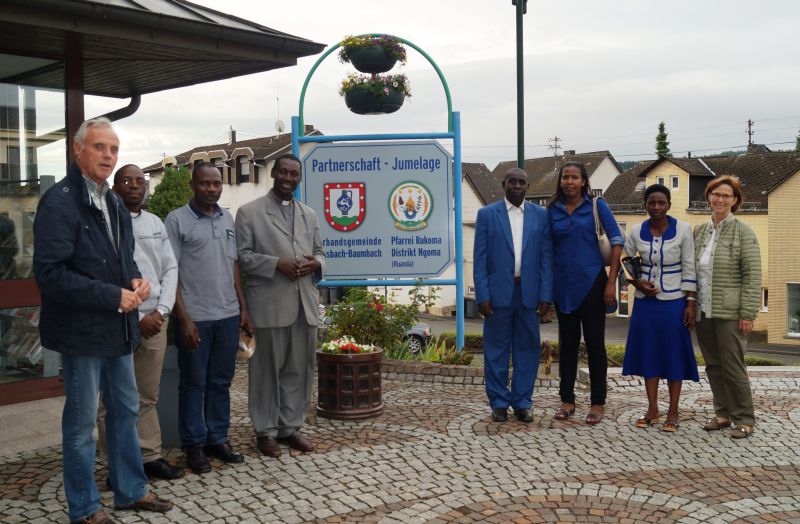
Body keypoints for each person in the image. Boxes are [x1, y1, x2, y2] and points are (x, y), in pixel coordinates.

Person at [33, 118, 172, 524]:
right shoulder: (59, 202)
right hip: (81, 335)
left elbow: (121, 258)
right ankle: (85, 508)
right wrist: (114, 295)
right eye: (99, 147)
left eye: (113, 149)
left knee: (126, 412)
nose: (108, 156)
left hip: (118, 330)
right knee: (81, 428)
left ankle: (130, 490)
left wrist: (134, 279)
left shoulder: (111, 201)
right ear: (78, 151)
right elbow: (51, 273)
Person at [235, 153, 325, 456]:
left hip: (304, 306)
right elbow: (243, 257)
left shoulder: (309, 214)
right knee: (265, 372)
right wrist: (276, 264)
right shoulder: (249, 212)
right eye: (283, 172)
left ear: (299, 178)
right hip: (269, 305)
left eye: (294, 174)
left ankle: (290, 427)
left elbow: (320, 251)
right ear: (273, 173)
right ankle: (266, 431)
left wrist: (317, 264)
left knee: (298, 370)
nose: (288, 178)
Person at [97, 165, 182, 480]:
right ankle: (114, 465)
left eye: (139, 181)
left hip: (156, 322)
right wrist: (135, 316)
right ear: (115, 187)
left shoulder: (155, 223)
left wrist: (161, 311)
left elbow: (170, 269)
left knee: (148, 394)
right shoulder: (105, 223)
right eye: (126, 180)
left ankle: (149, 456)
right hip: (118, 321)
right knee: (111, 398)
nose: (134, 185)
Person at [165, 162, 251, 473]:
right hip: (195, 318)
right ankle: (194, 445)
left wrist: (243, 308)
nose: (211, 189)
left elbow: (234, 265)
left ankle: (218, 438)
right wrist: (183, 318)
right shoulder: (176, 220)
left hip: (227, 315)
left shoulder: (227, 217)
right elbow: (169, 271)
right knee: (193, 384)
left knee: (220, 382)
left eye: (216, 184)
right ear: (193, 185)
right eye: (205, 184)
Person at [473, 168, 553, 423]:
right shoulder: (487, 214)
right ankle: (498, 402)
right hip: (497, 295)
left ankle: (522, 402)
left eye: (521, 182)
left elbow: (546, 259)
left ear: (528, 186)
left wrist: (545, 295)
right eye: (512, 182)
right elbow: (480, 258)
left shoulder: (541, 216)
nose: (517, 186)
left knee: (527, 350)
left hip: (529, 293)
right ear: (503, 184)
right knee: (496, 350)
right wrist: (482, 295)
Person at [547, 161, 624, 425]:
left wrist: (611, 282)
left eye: (574, 178)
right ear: (560, 181)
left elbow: (617, 241)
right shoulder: (552, 210)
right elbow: (547, 251)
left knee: (595, 345)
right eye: (565, 177)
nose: (569, 182)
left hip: (593, 284)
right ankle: (567, 400)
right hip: (562, 287)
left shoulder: (595, 206)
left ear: (583, 182)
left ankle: (597, 403)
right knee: (567, 345)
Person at [621, 184, 699, 432]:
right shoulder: (636, 231)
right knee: (649, 355)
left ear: (668, 205)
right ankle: (652, 408)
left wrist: (690, 302)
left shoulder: (684, 230)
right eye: (651, 203)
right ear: (645, 205)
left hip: (674, 302)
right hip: (646, 304)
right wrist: (636, 282)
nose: (656, 207)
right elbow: (625, 259)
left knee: (673, 355)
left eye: (661, 203)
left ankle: (673, 410)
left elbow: (690, 267)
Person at [694, 176, 761, 439]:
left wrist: (747, 313)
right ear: (709, 197)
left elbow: (752, 275)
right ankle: (722, 413)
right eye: (716, 194)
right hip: (704, 310)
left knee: (733, 367)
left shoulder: (744, 232)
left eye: (726, 196)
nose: (720, 199)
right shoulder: (700, 231)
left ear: (735, 201)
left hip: (731, 312)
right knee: (713, 365)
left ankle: (744, 418)